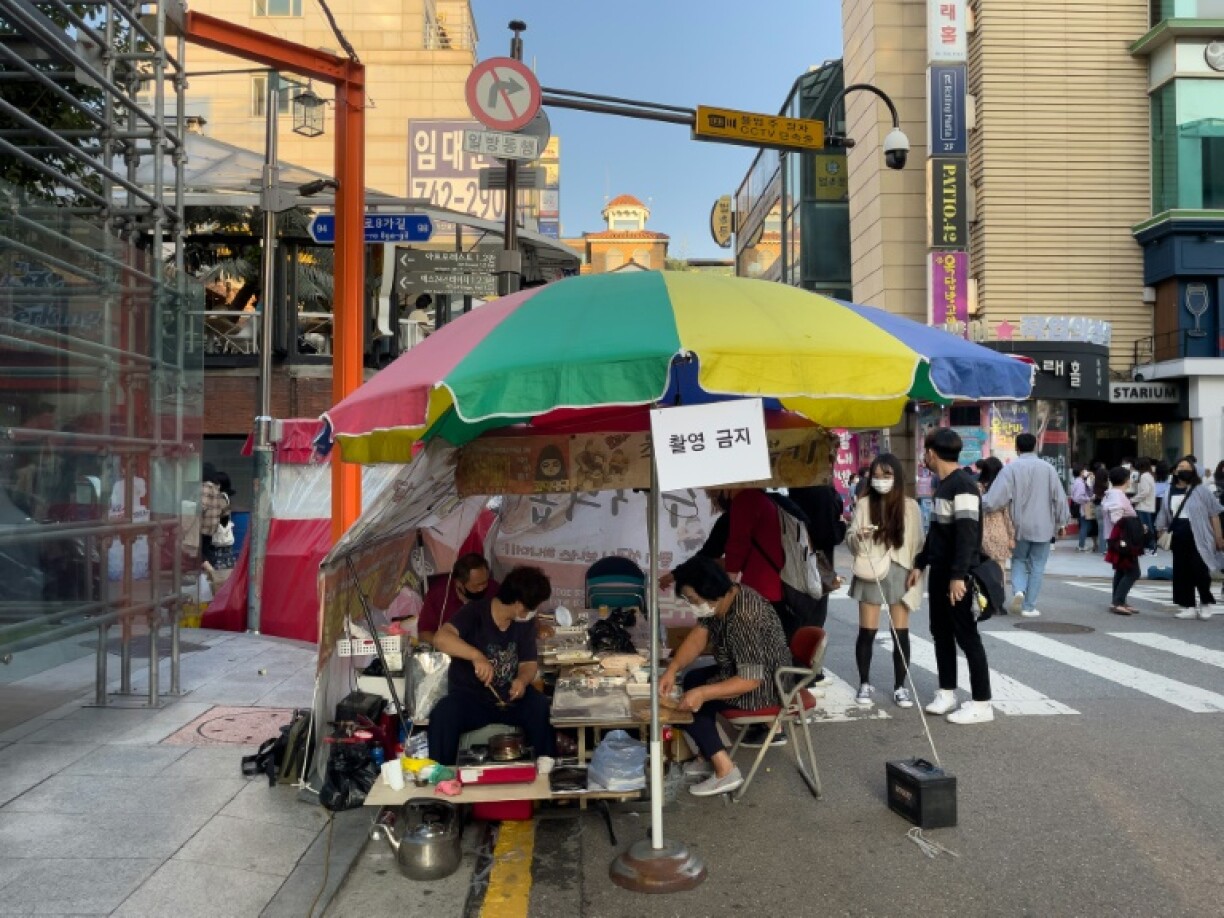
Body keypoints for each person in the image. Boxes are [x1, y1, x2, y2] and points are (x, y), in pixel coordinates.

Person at [659, 555, 792, 798]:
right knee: (691, 680)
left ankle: (725, 770)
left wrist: (702, 693)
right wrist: (672, 668)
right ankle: (707, 754)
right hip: (738, 671)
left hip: (766, 686)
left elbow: (751, 679)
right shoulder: (722, 601)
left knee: (693, 700)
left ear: (710, 591)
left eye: (693, 600)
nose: (692, 605)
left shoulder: (744, 615)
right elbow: (699, 636)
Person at [427, 565, 555, 766]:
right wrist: (476, 656)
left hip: (511, 699)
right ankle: (443, 778)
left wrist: (522, 681)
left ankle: (546, 773)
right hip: (472, 699)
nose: (533, 612)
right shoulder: (474, 612)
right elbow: (441, 638)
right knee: (443, 713)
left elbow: (529, 663)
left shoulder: (524, 623)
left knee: (540, 706)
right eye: (533, 606)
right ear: (519, 604)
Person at [908, 428, 993, 725]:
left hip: (957, 575)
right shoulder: (943, 485)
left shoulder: (964, 486)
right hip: (940, 571)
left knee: (966, 635)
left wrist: (959, 575)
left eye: (924, 451)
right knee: (940, 632)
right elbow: (939, 533)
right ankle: (947, 692)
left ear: (931, 453)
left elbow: (967, 534)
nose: (923, 456)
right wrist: (920, 562)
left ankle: (982, 702)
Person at [846, 453, 924, 708]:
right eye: (876, 476)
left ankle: (900, 687)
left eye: (887, 476)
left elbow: (919, 543)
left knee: (900, 633)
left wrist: (917, 568)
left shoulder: (910, 506)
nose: (881, 481)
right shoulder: (864, 504)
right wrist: (859, 535)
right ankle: (864, 683)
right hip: (871, 570)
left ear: (897, 477)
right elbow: (850, 540)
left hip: (901, 570)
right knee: (866, 632)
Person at [981, 433, 1069, 618]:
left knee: (1019, 560)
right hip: (1044, 526)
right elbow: (1060, 499)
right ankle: (1029, 606)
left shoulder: (1010, 469)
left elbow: (994, 500)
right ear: (1036, 447)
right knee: (1037, 565)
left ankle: (1019, 590)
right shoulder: (1049, 469)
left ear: (1017, 448)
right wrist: (1062, 522)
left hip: (1019, 526)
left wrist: (979, 502)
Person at [1154, 458, 1224, 620]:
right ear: (1175, 471)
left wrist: (1218, 537)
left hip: (1201, 536)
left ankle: (1206, 603)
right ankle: (1188, 605)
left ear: (1194, 471)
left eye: (1186, 467)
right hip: (1179, 536)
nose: (1183, 469)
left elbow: (1214, 514)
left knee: (1200, 570)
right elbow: (1164, 514)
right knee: (1182, 571)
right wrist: (1159, 530)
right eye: (1180, 466)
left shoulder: (1202, 490)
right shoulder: (1169, 491)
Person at [417, 553, 499, 644]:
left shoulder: (494, 588)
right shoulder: (438, 594)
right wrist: (447, 645)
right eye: (477, 585)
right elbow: (424, 633)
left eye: (485, 582)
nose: (482, 588)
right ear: (459, 583)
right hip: (452, 649)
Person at [1102, 467, 1143, 615]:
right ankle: (1118, 601)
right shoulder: (1118, 496)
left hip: (1115, 538)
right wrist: (1134, 525)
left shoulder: (1110, 494)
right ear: (1126, 480)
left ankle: (1119, 600)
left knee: (1121, 570)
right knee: (1133, 572)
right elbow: (1116, 518)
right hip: (1122, 539)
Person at [976, 457, 1016, 586]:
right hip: (1000, 531)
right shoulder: (1002, 489)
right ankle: (998, 599)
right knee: (1000, 569)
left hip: (981, 532)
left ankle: (982, 601)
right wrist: (1011, 536)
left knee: (982, 569)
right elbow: (1007, 515)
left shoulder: (977, 487)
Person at [1133, 458, 1157, 554]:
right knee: (1147, 527)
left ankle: (1151, 547)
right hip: (1148, 505)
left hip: (1143, 506)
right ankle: (1150, 546)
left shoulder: (1144, 477)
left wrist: (1133, 500)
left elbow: (1144, 492)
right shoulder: (1150, 476)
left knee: (1146, 528)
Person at [1070, 465, 1095, 552]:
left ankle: (1081, 544)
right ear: (1081, 472)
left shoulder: (1077, 481)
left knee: (1084, 525)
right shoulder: (1080, 483)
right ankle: (1081, 545)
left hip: (1080, 506)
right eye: (1084, 470)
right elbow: (1079, 497)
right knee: (1085, 525)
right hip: (1083, 506)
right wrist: (1089, 498)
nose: (1086, 472)